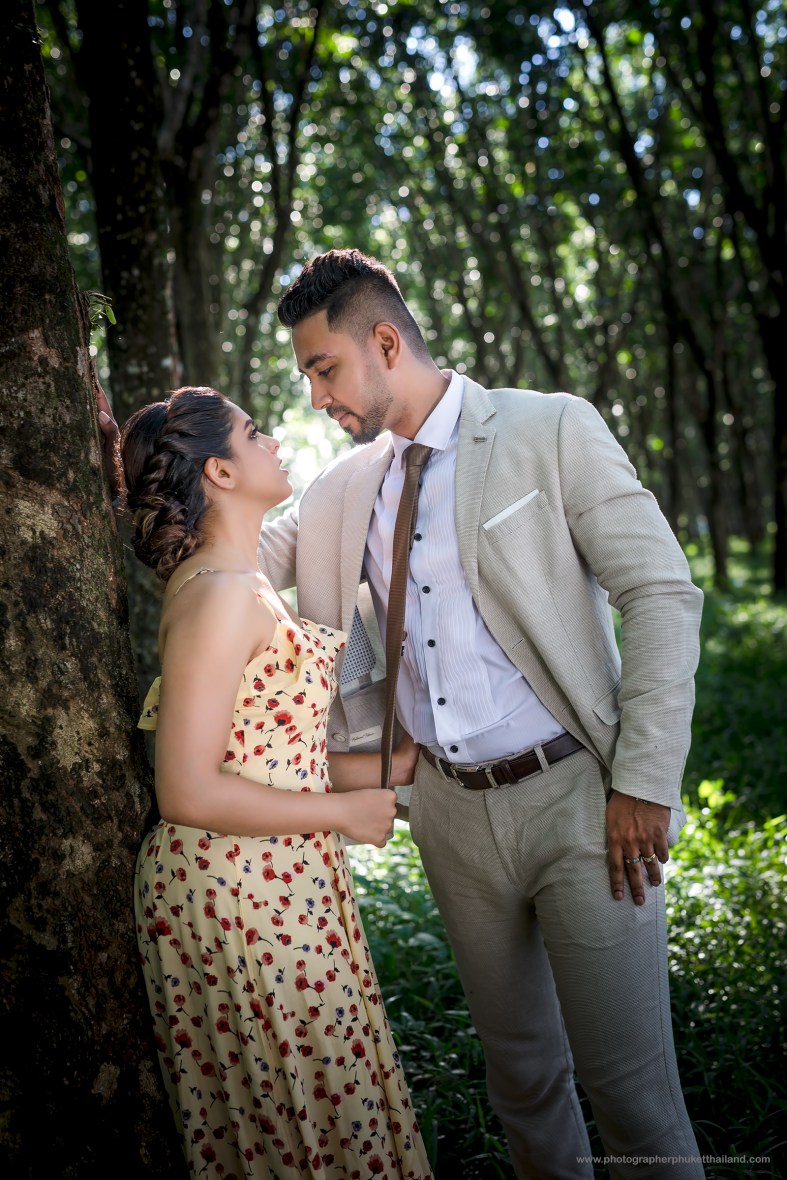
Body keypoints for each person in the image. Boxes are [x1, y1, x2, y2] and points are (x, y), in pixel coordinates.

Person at [256, 249, 706, 1180]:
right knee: (521, 1080)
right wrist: (136, 462)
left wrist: (644, 780)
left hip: (584, 801)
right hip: (450, 815)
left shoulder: (549, 429)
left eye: (323, 368)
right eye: (305, 375)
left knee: (631, 1093)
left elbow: (661, 590)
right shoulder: (344, 486)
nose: (315, 397)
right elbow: (235, 552)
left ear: (385, 341)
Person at [117, 385, 433, 1180]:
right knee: (304, 1124)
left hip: (279, 881)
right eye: (256, 433)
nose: (276, 441)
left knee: (323, 1114)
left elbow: (258, 758)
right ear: (220, 471)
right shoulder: (218, 598)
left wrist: (388, 768)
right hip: (242, 895)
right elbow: (186, 791)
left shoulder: (242, 583)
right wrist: (344, 813)